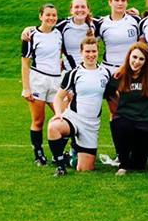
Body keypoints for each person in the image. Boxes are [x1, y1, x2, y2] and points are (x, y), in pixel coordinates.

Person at [46, 37, 114, 176]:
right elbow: (58, 97)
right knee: (53, 127)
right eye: (87, 51)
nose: (91, 55)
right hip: (74, 118)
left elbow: (113, 96)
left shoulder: (106, 73)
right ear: (81, 53)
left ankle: (73, 154)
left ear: (98, 52)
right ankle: (60, 166)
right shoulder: (74, 73)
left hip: (91, 125)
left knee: (85, 169)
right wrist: (58, 114)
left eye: (93, 51)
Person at [108, 42, 148, 175]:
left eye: (141, 59)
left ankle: (140, 156)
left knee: (139, 165)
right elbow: (108, 93)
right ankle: (122, 163)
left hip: (146, 121)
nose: (136, 62)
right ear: (128, 57)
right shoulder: (119, 75)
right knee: (120, 124)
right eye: (134, 57)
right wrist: (115, 111)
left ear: (146, 61)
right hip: (126, 118)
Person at [21, 3, 63, 166]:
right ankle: (38, 154)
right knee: (38, 120)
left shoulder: (59, 33)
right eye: (48, 15)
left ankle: (58, 153)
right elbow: (25, 63)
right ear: (41, 16)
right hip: (38, 80)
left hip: (56, 81)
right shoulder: (31, 35)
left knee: (63, 117)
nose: (51, 18)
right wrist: (26, 88)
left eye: (54, 15)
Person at [21, 0, 96, 71]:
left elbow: (107, 23)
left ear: (88, 10)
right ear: (71, 10)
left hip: (91, 71)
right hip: (70, 73)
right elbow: (46, 25)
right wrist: (29, 29)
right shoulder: (63, 25)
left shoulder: (96, 24)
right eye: (76, 7)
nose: (80, 10)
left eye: (83, 7)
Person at [95, 0, 141, 71]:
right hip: (109, 69)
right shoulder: (101, 23)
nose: (120, 3)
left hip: (131, 68)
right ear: (110, 2)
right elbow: (90, 45)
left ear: (127, 3)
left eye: (123, 0)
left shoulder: (136, 20)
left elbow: (144, 43)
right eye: (117, 0)